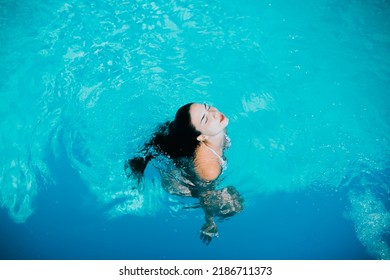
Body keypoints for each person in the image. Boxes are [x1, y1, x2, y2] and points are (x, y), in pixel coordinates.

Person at [124, 102, 244, 245]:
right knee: (230, 204)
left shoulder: (217, 125)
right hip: (179, 181)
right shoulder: (209, 170)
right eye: (205, 118)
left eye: (207, 106)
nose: (213, 112)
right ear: (201, 137)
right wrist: (210, 220)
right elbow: (205, 193)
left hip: (187, 148)